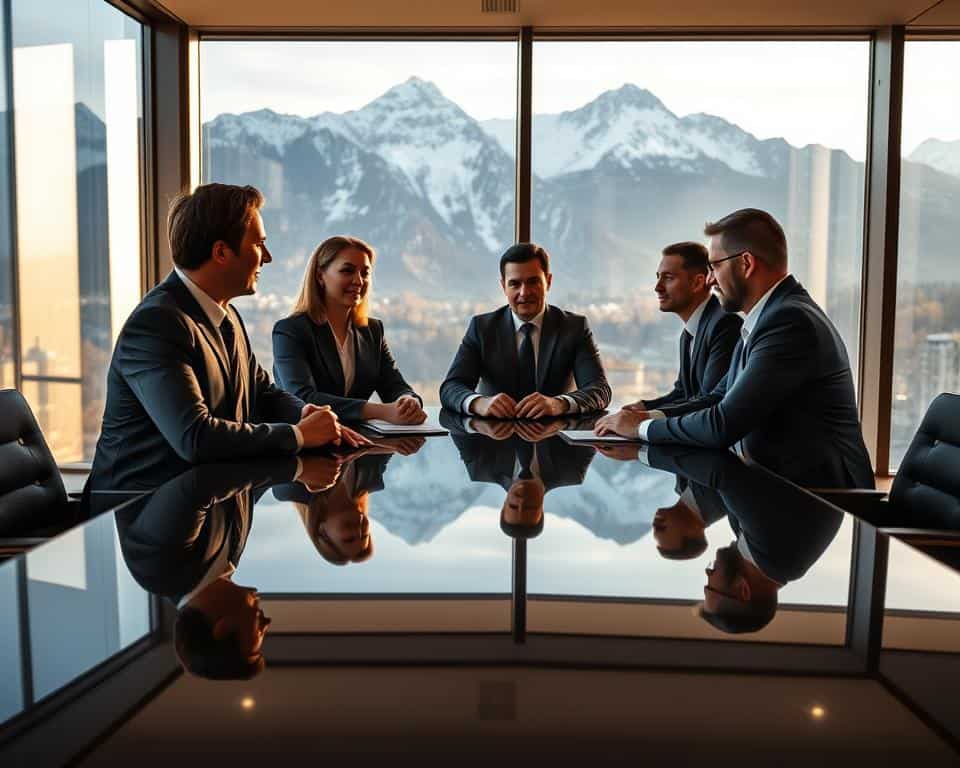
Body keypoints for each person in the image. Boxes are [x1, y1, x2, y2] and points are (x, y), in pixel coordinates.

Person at [88, 184, 367, 491]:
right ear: (221, 252)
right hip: (134, 515)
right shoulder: (156, 323)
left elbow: (262, 392)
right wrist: (299, 435)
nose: (268, 258)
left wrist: (304, 412)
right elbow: (195, 437)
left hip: (203, 502)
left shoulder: (227, 316)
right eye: (259, 244)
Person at [596, 208, 874, 489]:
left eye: (715, 266)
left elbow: (722, 423)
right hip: (779, 488)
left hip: (822, 499)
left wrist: (640, 429)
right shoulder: (764, 318)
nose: (711, 280)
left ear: (746, 264)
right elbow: (717, 397)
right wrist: (645, 417)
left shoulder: (789, 322)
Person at [115, 459, 300, 678]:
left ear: (222, 629)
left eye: (257, 639)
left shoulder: (160, 570)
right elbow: (250, 486)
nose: (266, 624)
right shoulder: (231, 557)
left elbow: (198, 484)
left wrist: (294, 468)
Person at [440, 242, 611, 419]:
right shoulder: (482, 328)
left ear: (548, 282)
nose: (524, 293)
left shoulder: (574, 328)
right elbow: (451, 388)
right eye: (514, 284)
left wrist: (559, 404)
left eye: (533, 282)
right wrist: (479, 403)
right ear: (503, 287)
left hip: (556, 440)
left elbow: (600, 390)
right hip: (494, 441)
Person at [272, 235, 426, 425]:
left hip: (358, 443)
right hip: (306, 444)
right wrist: (380, 411)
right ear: (320, 276)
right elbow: (304, 398)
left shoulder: (372, 330)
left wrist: (409, 401)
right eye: (347, 271)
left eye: (365, 273)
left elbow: (394, 385)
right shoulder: (290, 331)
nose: (359, 281)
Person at [625, 241, 741, 418]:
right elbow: (683, 393)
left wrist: (645, 418)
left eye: (668, 278)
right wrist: (642, 407)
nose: (657, 287)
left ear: (697, 283)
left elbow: (710, 402)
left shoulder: (725, 325)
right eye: (658, 277)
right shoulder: (689, 332)